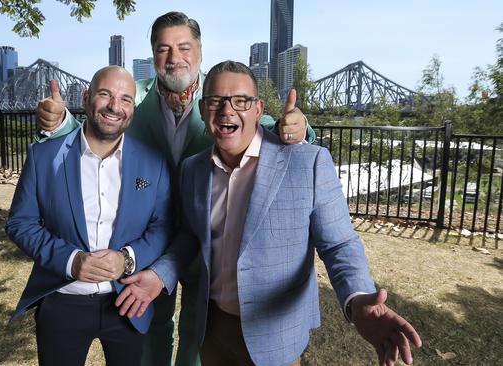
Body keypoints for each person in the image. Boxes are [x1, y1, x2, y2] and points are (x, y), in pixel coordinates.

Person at [34, 12, 315, 366]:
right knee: (151, 325)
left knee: (197, 333)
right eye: (163, 49)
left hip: (209, 241)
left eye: (184, 47)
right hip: (147, 241)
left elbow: (264, 124)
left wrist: (301, 128)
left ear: (199, 50)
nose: (174, 57)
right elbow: (97, 129)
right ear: (153, 55)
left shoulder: (219, 97)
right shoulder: (133, 102)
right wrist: (60, 123)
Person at [115, 61, 422, 366]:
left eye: (240, 101)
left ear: (259, 109)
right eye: (216, 102)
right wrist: (160, 275)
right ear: (202, 110)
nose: (227, 111)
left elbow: (339, 244)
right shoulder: (193, 169)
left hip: (276, 336)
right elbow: (189, 236)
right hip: (212, 331)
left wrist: (357, 300)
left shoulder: (307, 162)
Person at [5, 66, 172, 366]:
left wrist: (127, 258)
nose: (114, 106)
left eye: (125, 99)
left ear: (132, 109)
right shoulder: (44, 156)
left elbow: (162, 226)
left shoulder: (153, 162)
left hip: (128, 301)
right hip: (62, 300)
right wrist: (71, 261)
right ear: (86, 97)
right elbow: (20, 223)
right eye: (105, 94)